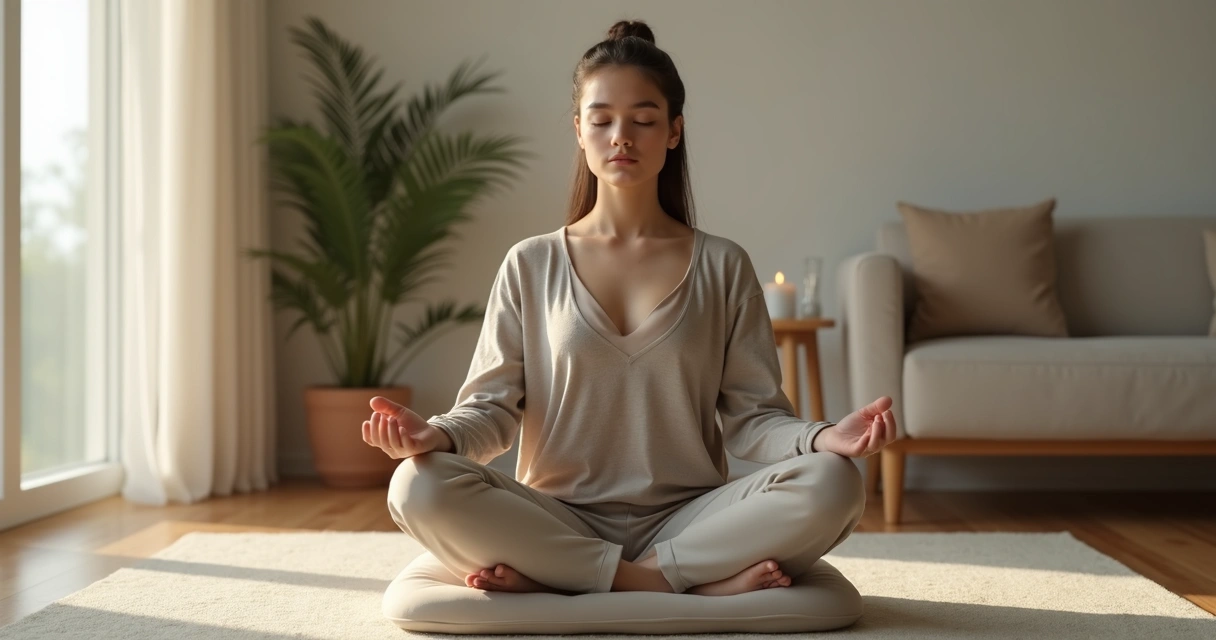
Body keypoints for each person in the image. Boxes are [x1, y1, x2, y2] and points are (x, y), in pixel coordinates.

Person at [363, 19, 895, 598]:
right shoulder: (530, 264)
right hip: (557, 516)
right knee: (414, 486)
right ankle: (672, 583)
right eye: (603, 120)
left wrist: (824, 438)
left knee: (835, 484)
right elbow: (490, 413)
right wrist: (432, 437)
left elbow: (753, 420)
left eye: (643, 120)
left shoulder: (723, 265)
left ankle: (574, 578)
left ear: (673, 131)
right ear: (578, 131)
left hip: (691, 520)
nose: (623, 136)